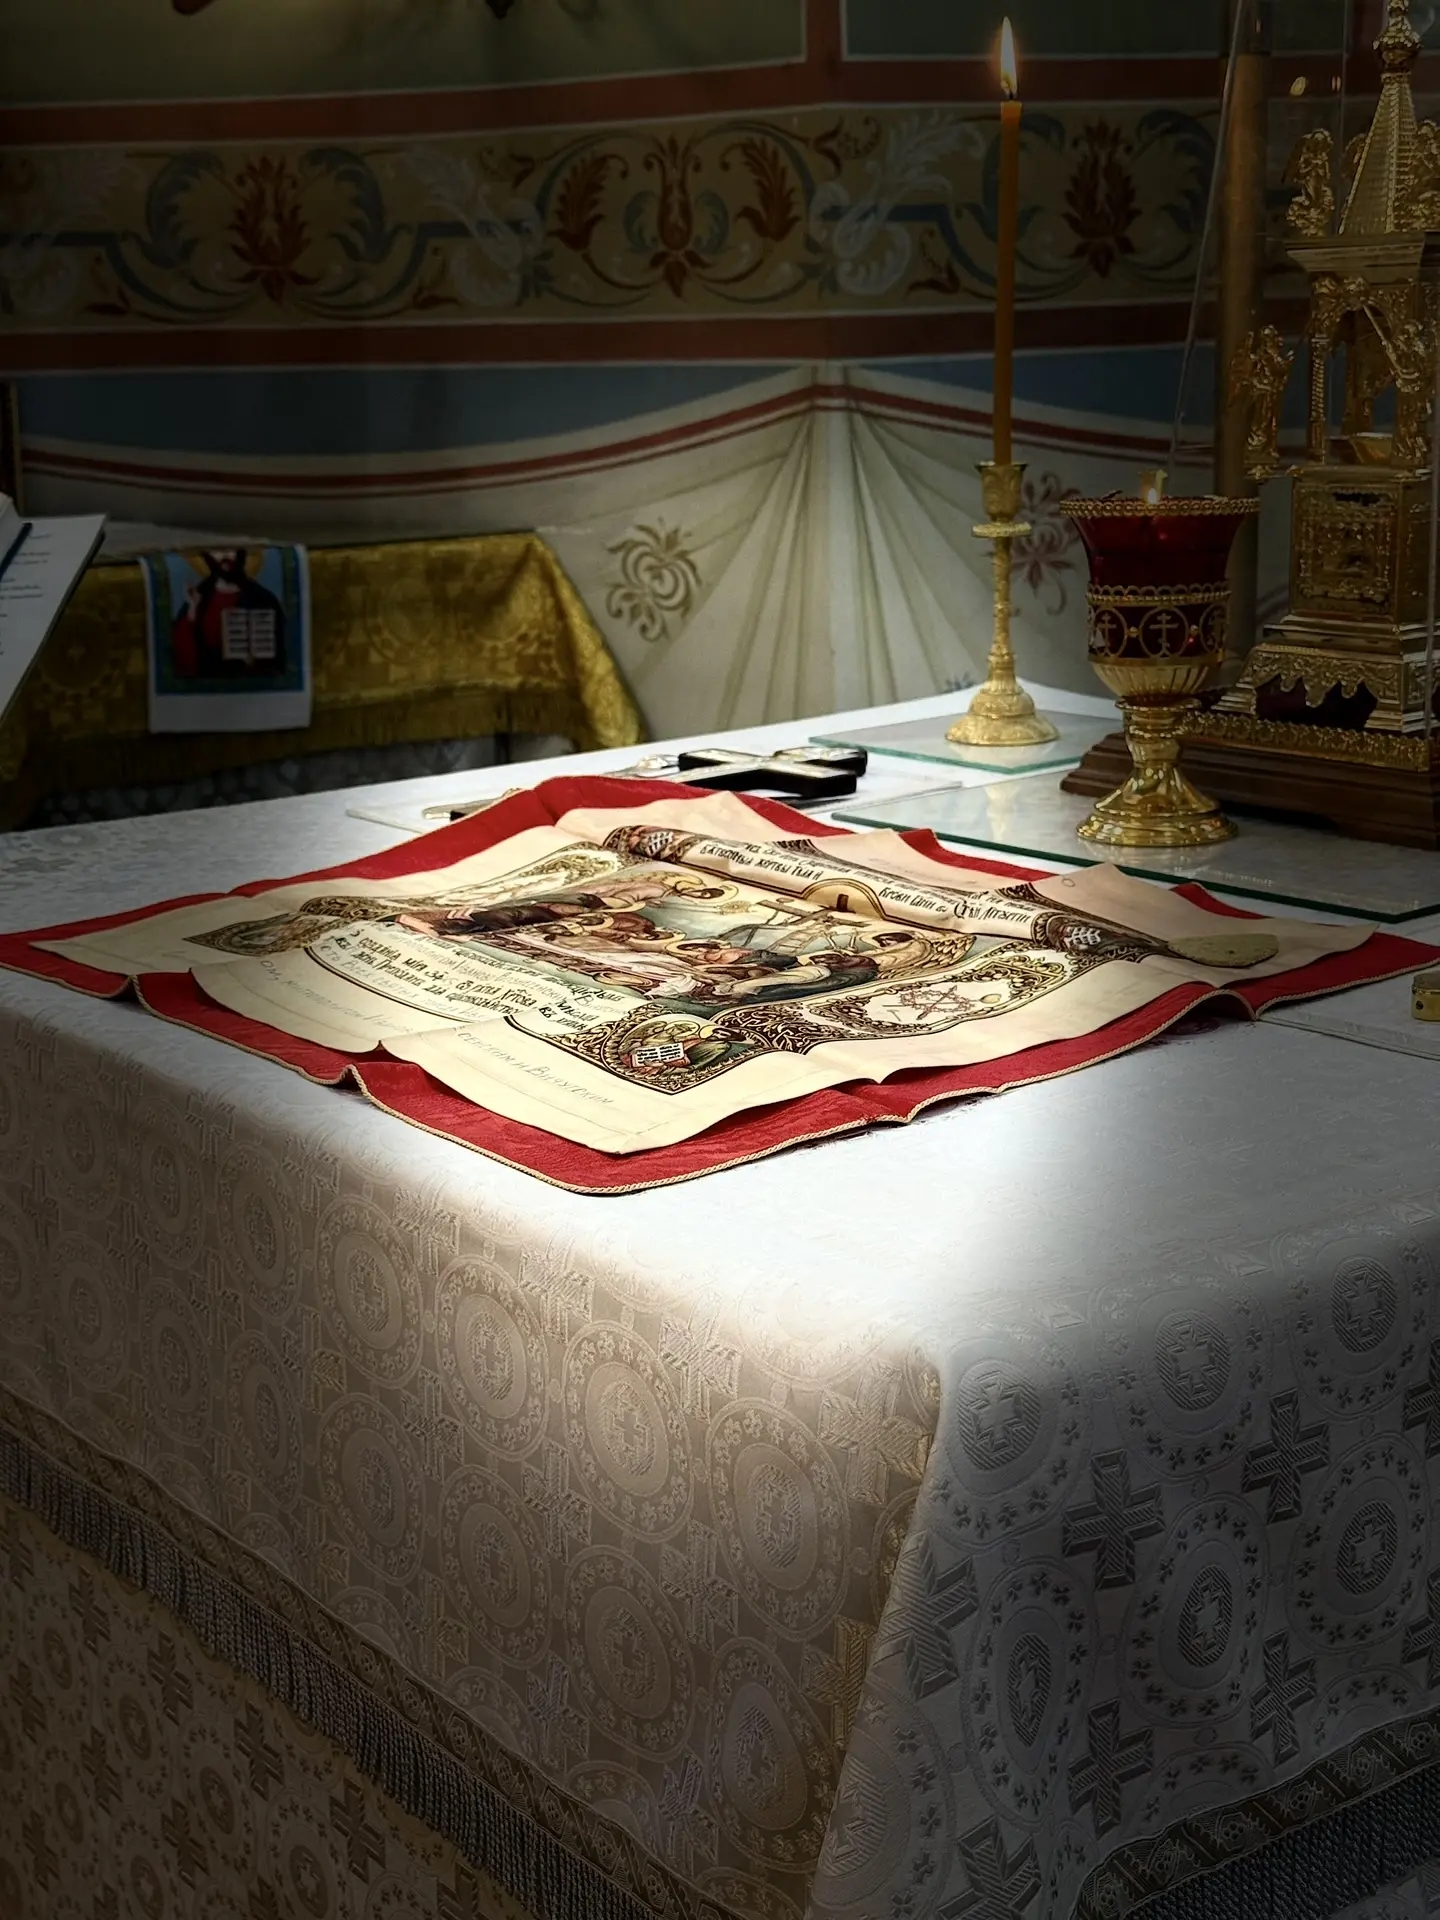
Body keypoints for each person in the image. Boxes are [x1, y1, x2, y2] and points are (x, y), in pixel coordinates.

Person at [170, 549, 287, 679]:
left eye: (231, 550)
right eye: (217, 551)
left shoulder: (262, 598)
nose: (225, 556)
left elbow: (280, 647)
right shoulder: (200, 596)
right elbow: (183, 651)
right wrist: (192, 611)